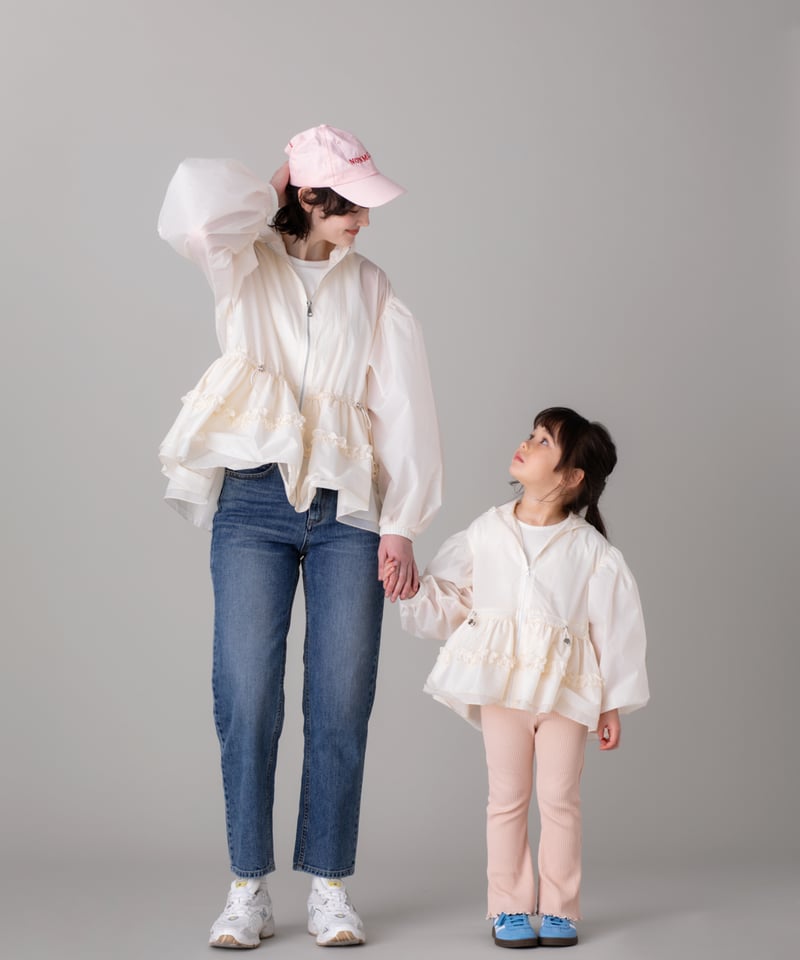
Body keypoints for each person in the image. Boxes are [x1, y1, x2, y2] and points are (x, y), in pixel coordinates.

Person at [157, 124, 442, 949]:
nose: (363, 220)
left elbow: (403, 408)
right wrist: (275, 183)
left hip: (349, 508)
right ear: (308, 198)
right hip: (254, 501)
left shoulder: (373, 287)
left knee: (341, 700)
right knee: (246, 695)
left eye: (364, 205)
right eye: (348, 205)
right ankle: (247, 887)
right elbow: (193, 210)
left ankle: (329, 886)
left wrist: (402, 523)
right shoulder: (242, 262)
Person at [392, 407, 648, 948]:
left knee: (560, 799)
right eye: (530, 435)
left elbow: (615, 628)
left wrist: (611, 704)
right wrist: (413, 590)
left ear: (572, 476)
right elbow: (451, 599)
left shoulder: (590, 550)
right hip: (502, 685)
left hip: (565, 691)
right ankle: (508, 906)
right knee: (506, 797)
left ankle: (559, 909)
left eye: (544, 441)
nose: (527, 444)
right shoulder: (487, 531)